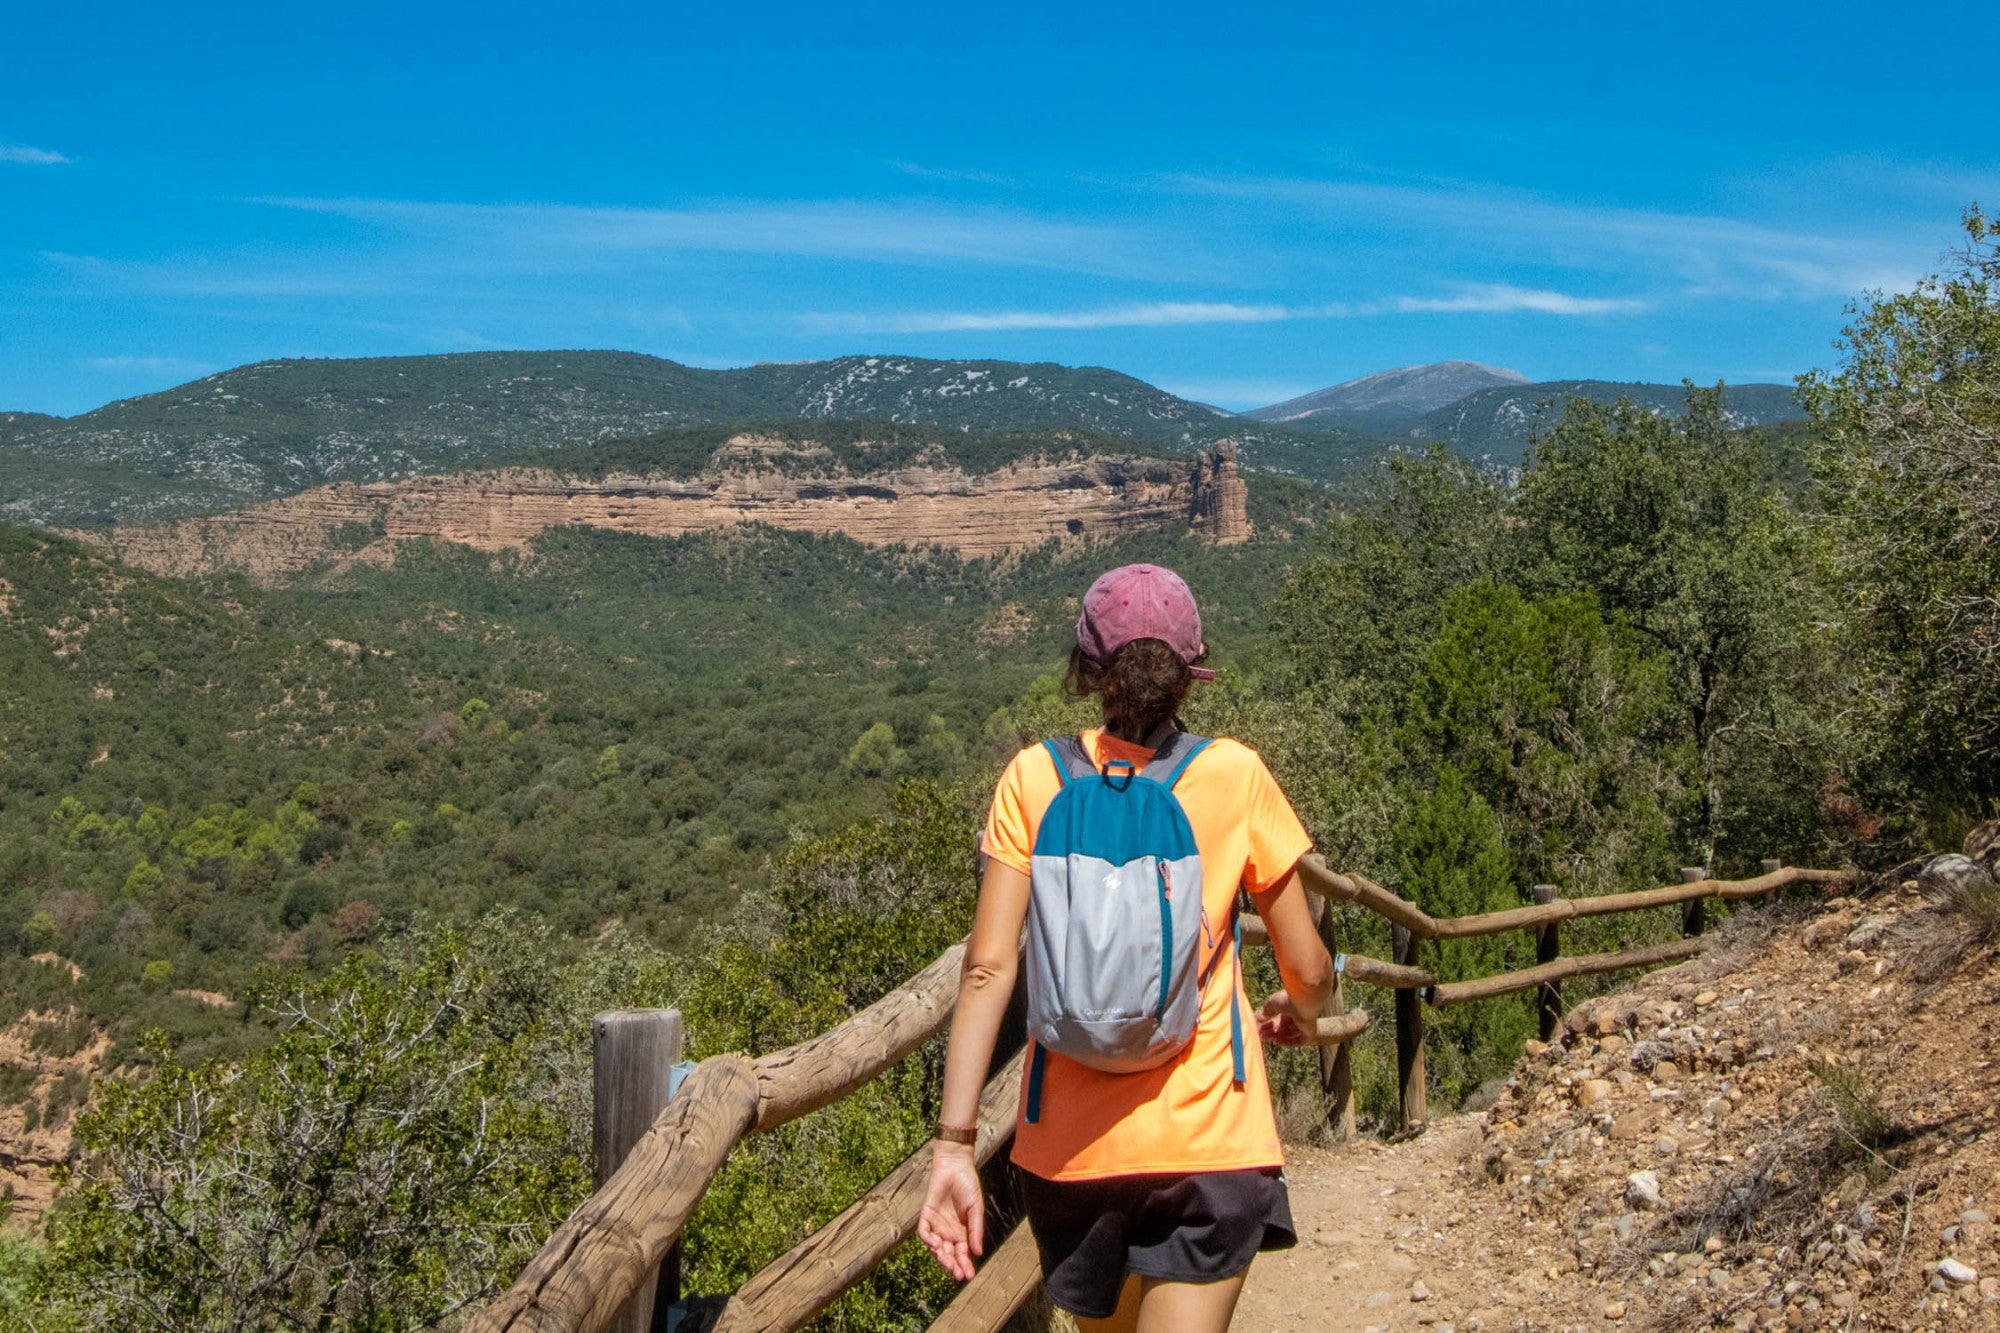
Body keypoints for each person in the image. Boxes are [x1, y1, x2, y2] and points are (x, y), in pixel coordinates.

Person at [918, 563, 1334, 1333]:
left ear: (1087, 668)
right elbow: (1307, 967)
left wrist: (954, 1145)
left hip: (1072, 1156)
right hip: (1210, 1141)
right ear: (1190, 672)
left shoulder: (1032, 778)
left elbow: (987, 967)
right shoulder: (1235, 775)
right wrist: (1302, 1010)